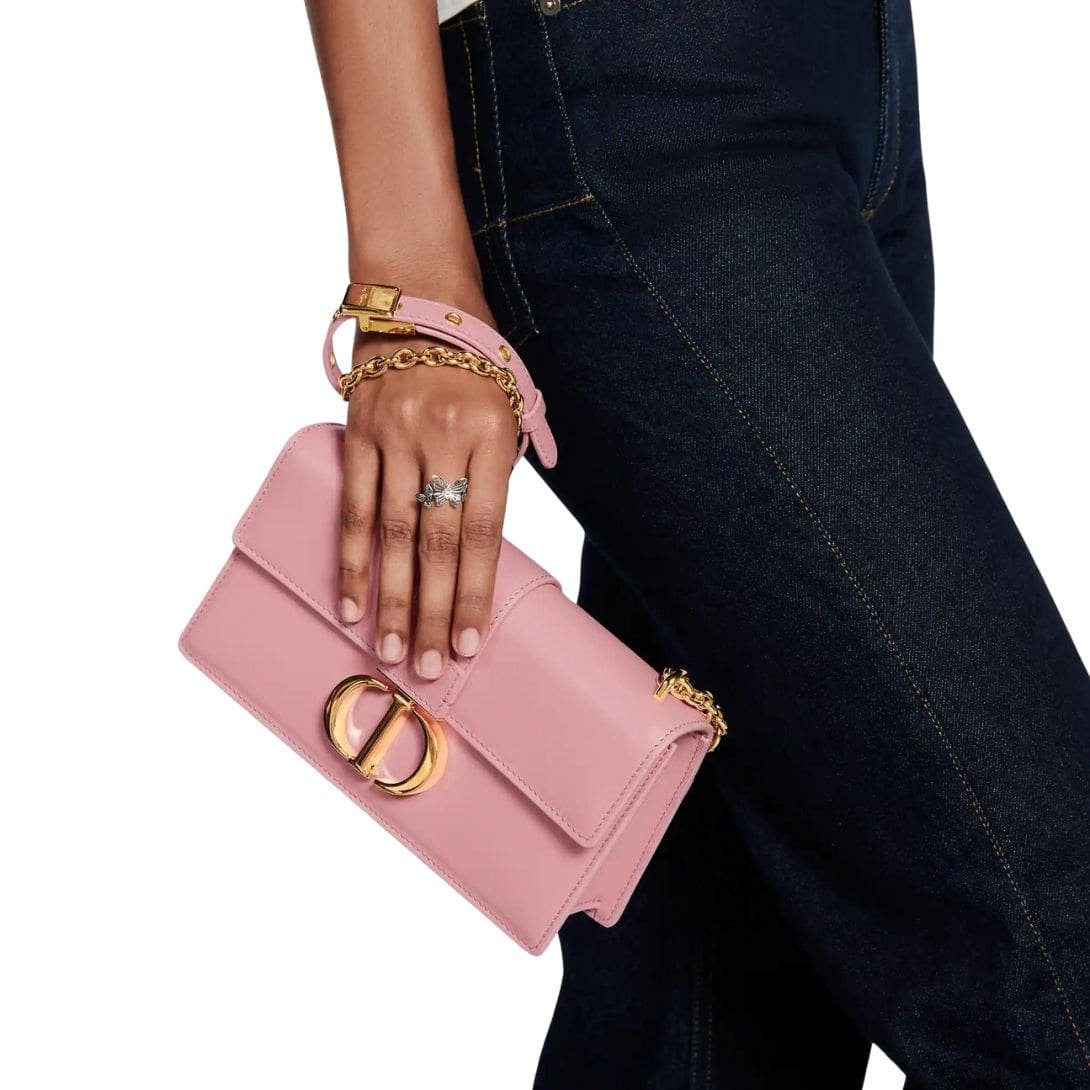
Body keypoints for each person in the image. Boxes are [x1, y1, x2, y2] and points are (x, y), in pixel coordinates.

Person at [303, 1, 1090, 1085]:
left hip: (849, 87)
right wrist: (409, 271)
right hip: (643, 112)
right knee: (1051, 958)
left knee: (714, 1025)